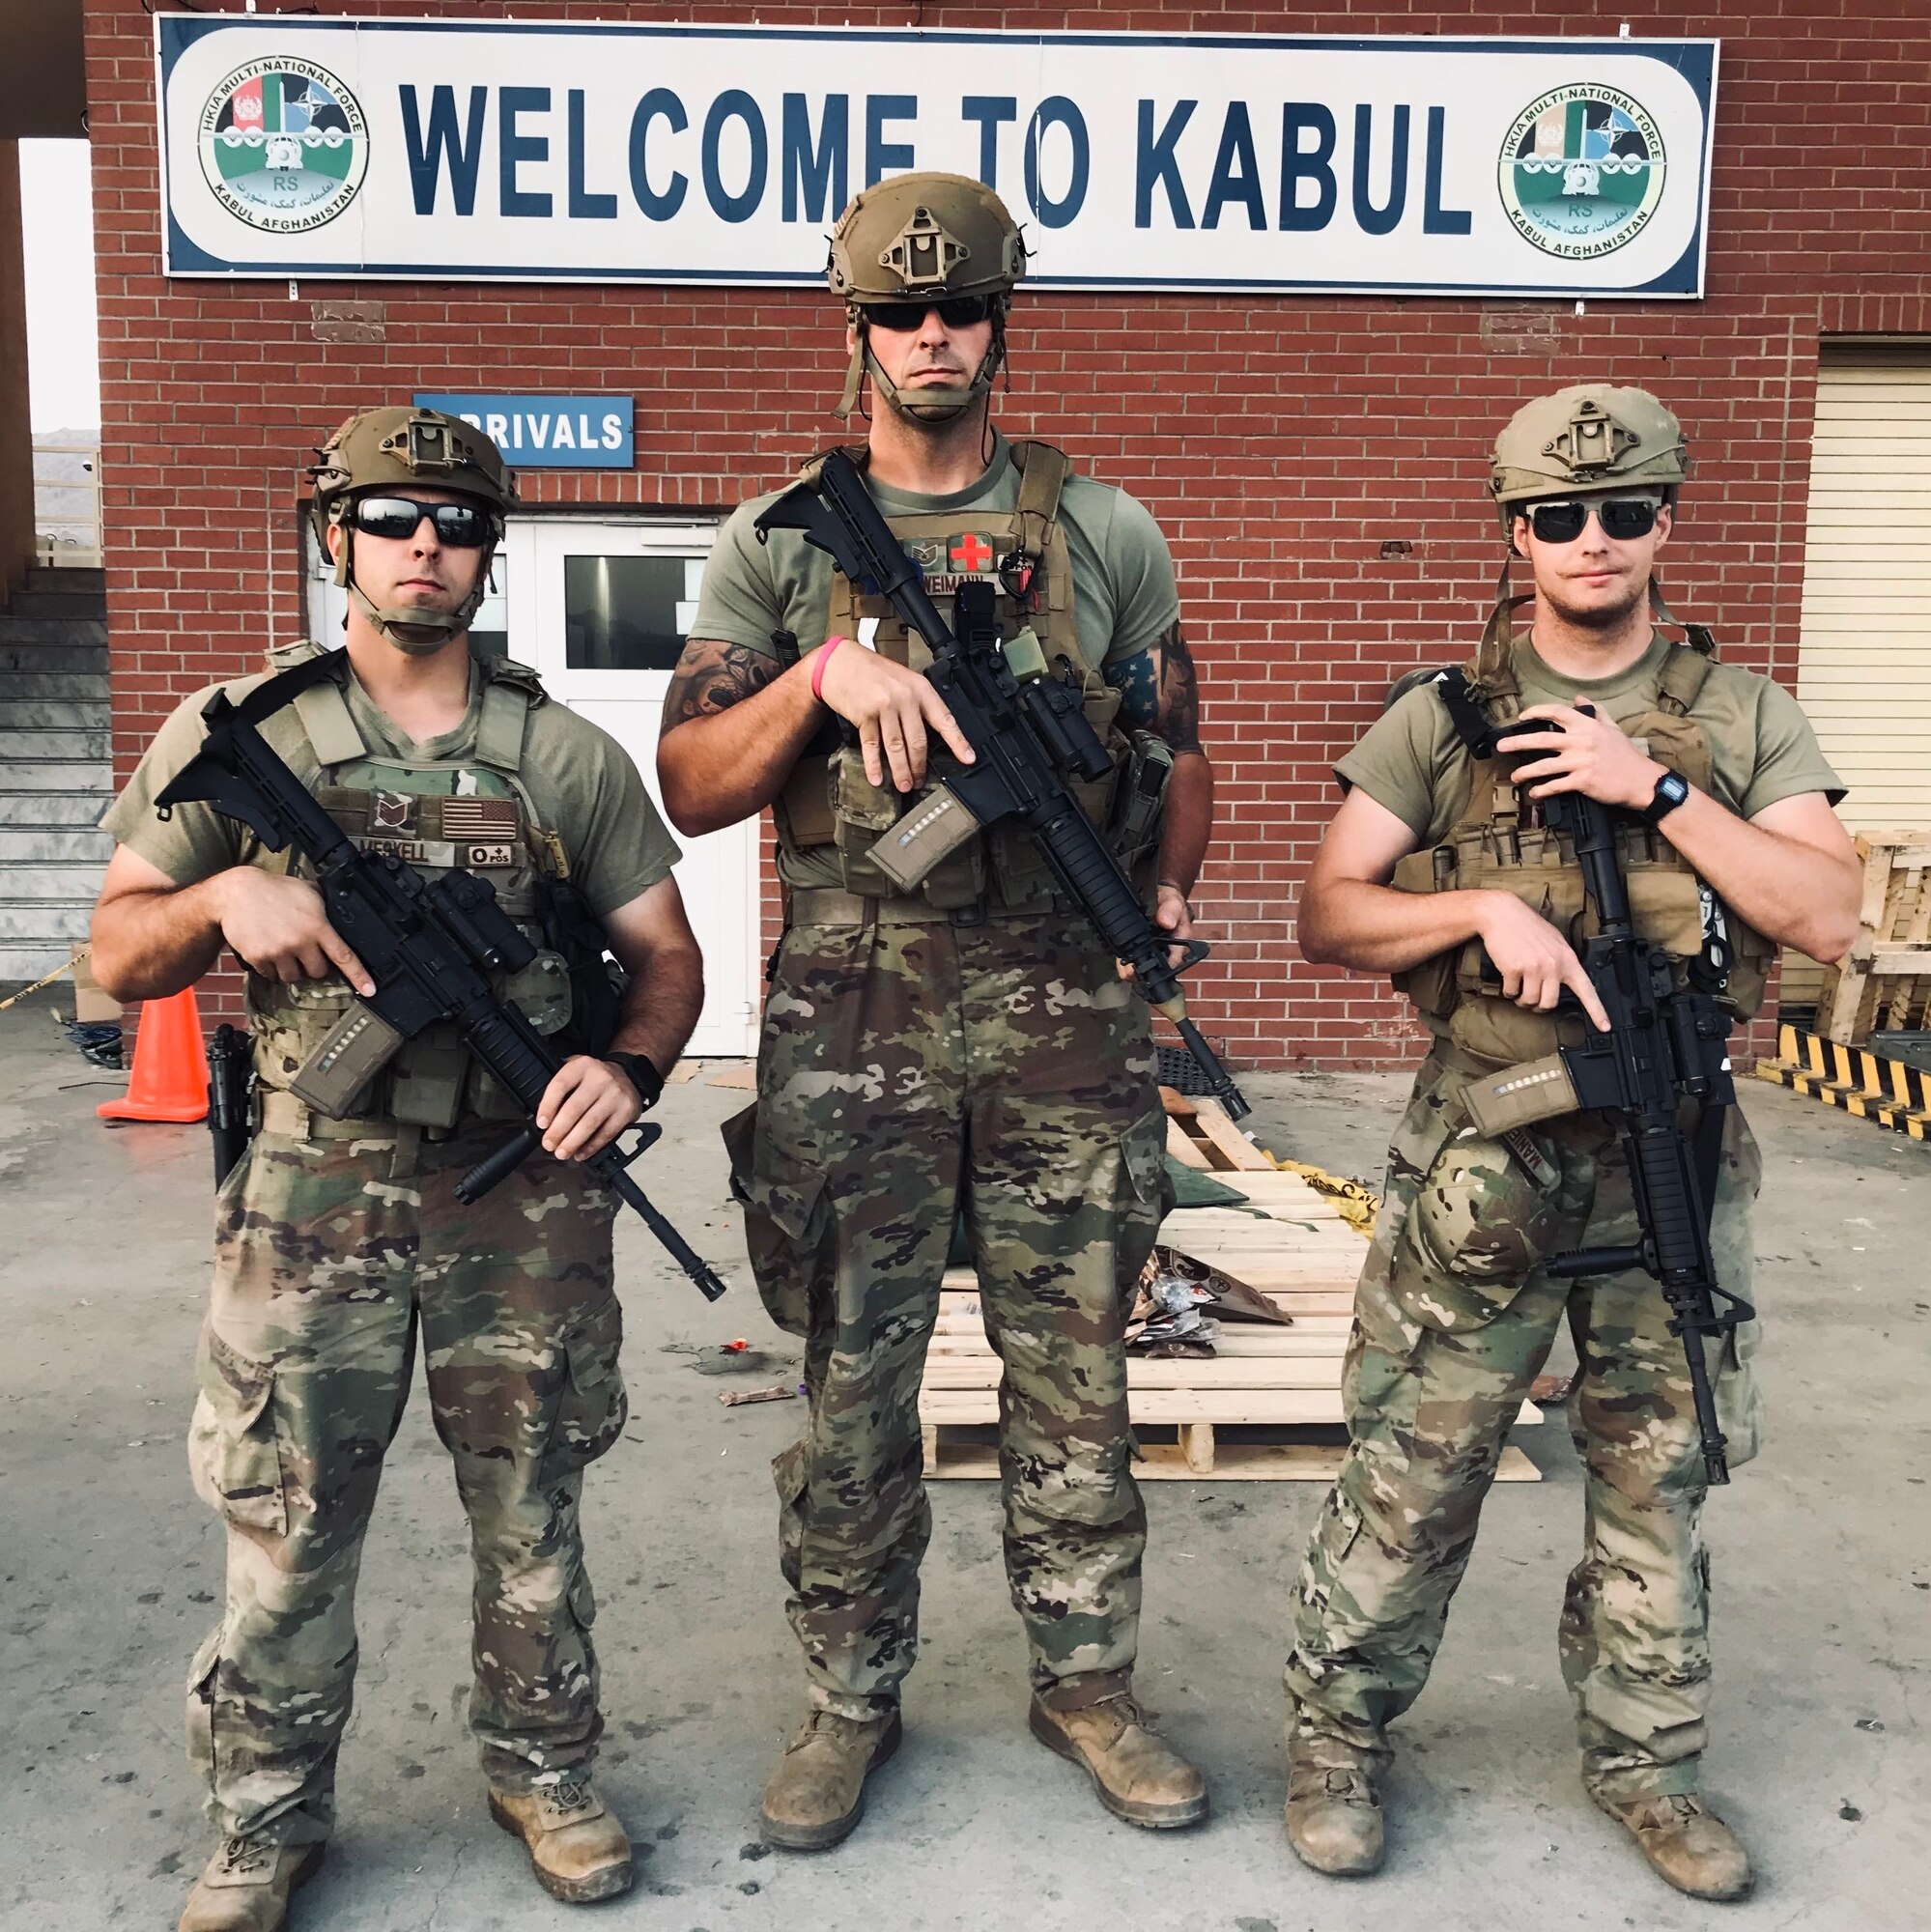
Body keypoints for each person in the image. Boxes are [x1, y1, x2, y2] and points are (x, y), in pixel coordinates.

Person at [656, 173, 1216, 1849]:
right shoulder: (774, 546)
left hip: (1066, 1017)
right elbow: (689, 782)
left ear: (999, 323)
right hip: (858, 1018)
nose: (930, 336)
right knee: (855, 1387)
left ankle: (1089, 1686)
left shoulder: (1104, 529)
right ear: (858, 326)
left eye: (959, 308)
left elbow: (1178, 745)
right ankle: (848, 1702)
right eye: (900, 312)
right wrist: (824, 678)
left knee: (1080, 1379)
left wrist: (1169, 885)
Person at [89, 407, 704, 1930]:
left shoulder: (563, 754)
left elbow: (669, 963)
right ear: (335, 539)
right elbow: (113, 956)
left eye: (456, 524)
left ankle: (546, 1775)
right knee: (288, 1525)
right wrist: (226, 891)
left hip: (524, 1197)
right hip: (313, 1192)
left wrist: (620, 1070)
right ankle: (262, 1820)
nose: (424, 548)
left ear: (489, 554)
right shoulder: (250, 733)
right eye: (390, 520)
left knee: (533, 1513)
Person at [1280, 384, 1860, 1902]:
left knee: (1660, 1473)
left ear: (1667, 520)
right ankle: (1338, 1737)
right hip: (1486, 1149)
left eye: (1623, 513)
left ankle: (1648, 1766)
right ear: (1514, 532)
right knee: (1420, 1459)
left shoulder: (1741, 718)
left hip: (1667, 1148)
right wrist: (1475, 904)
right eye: (1555, 517)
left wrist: (1652, 789)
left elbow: (1821, 913)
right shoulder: (1439, 717)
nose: (1590, 541)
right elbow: (1329, 911)